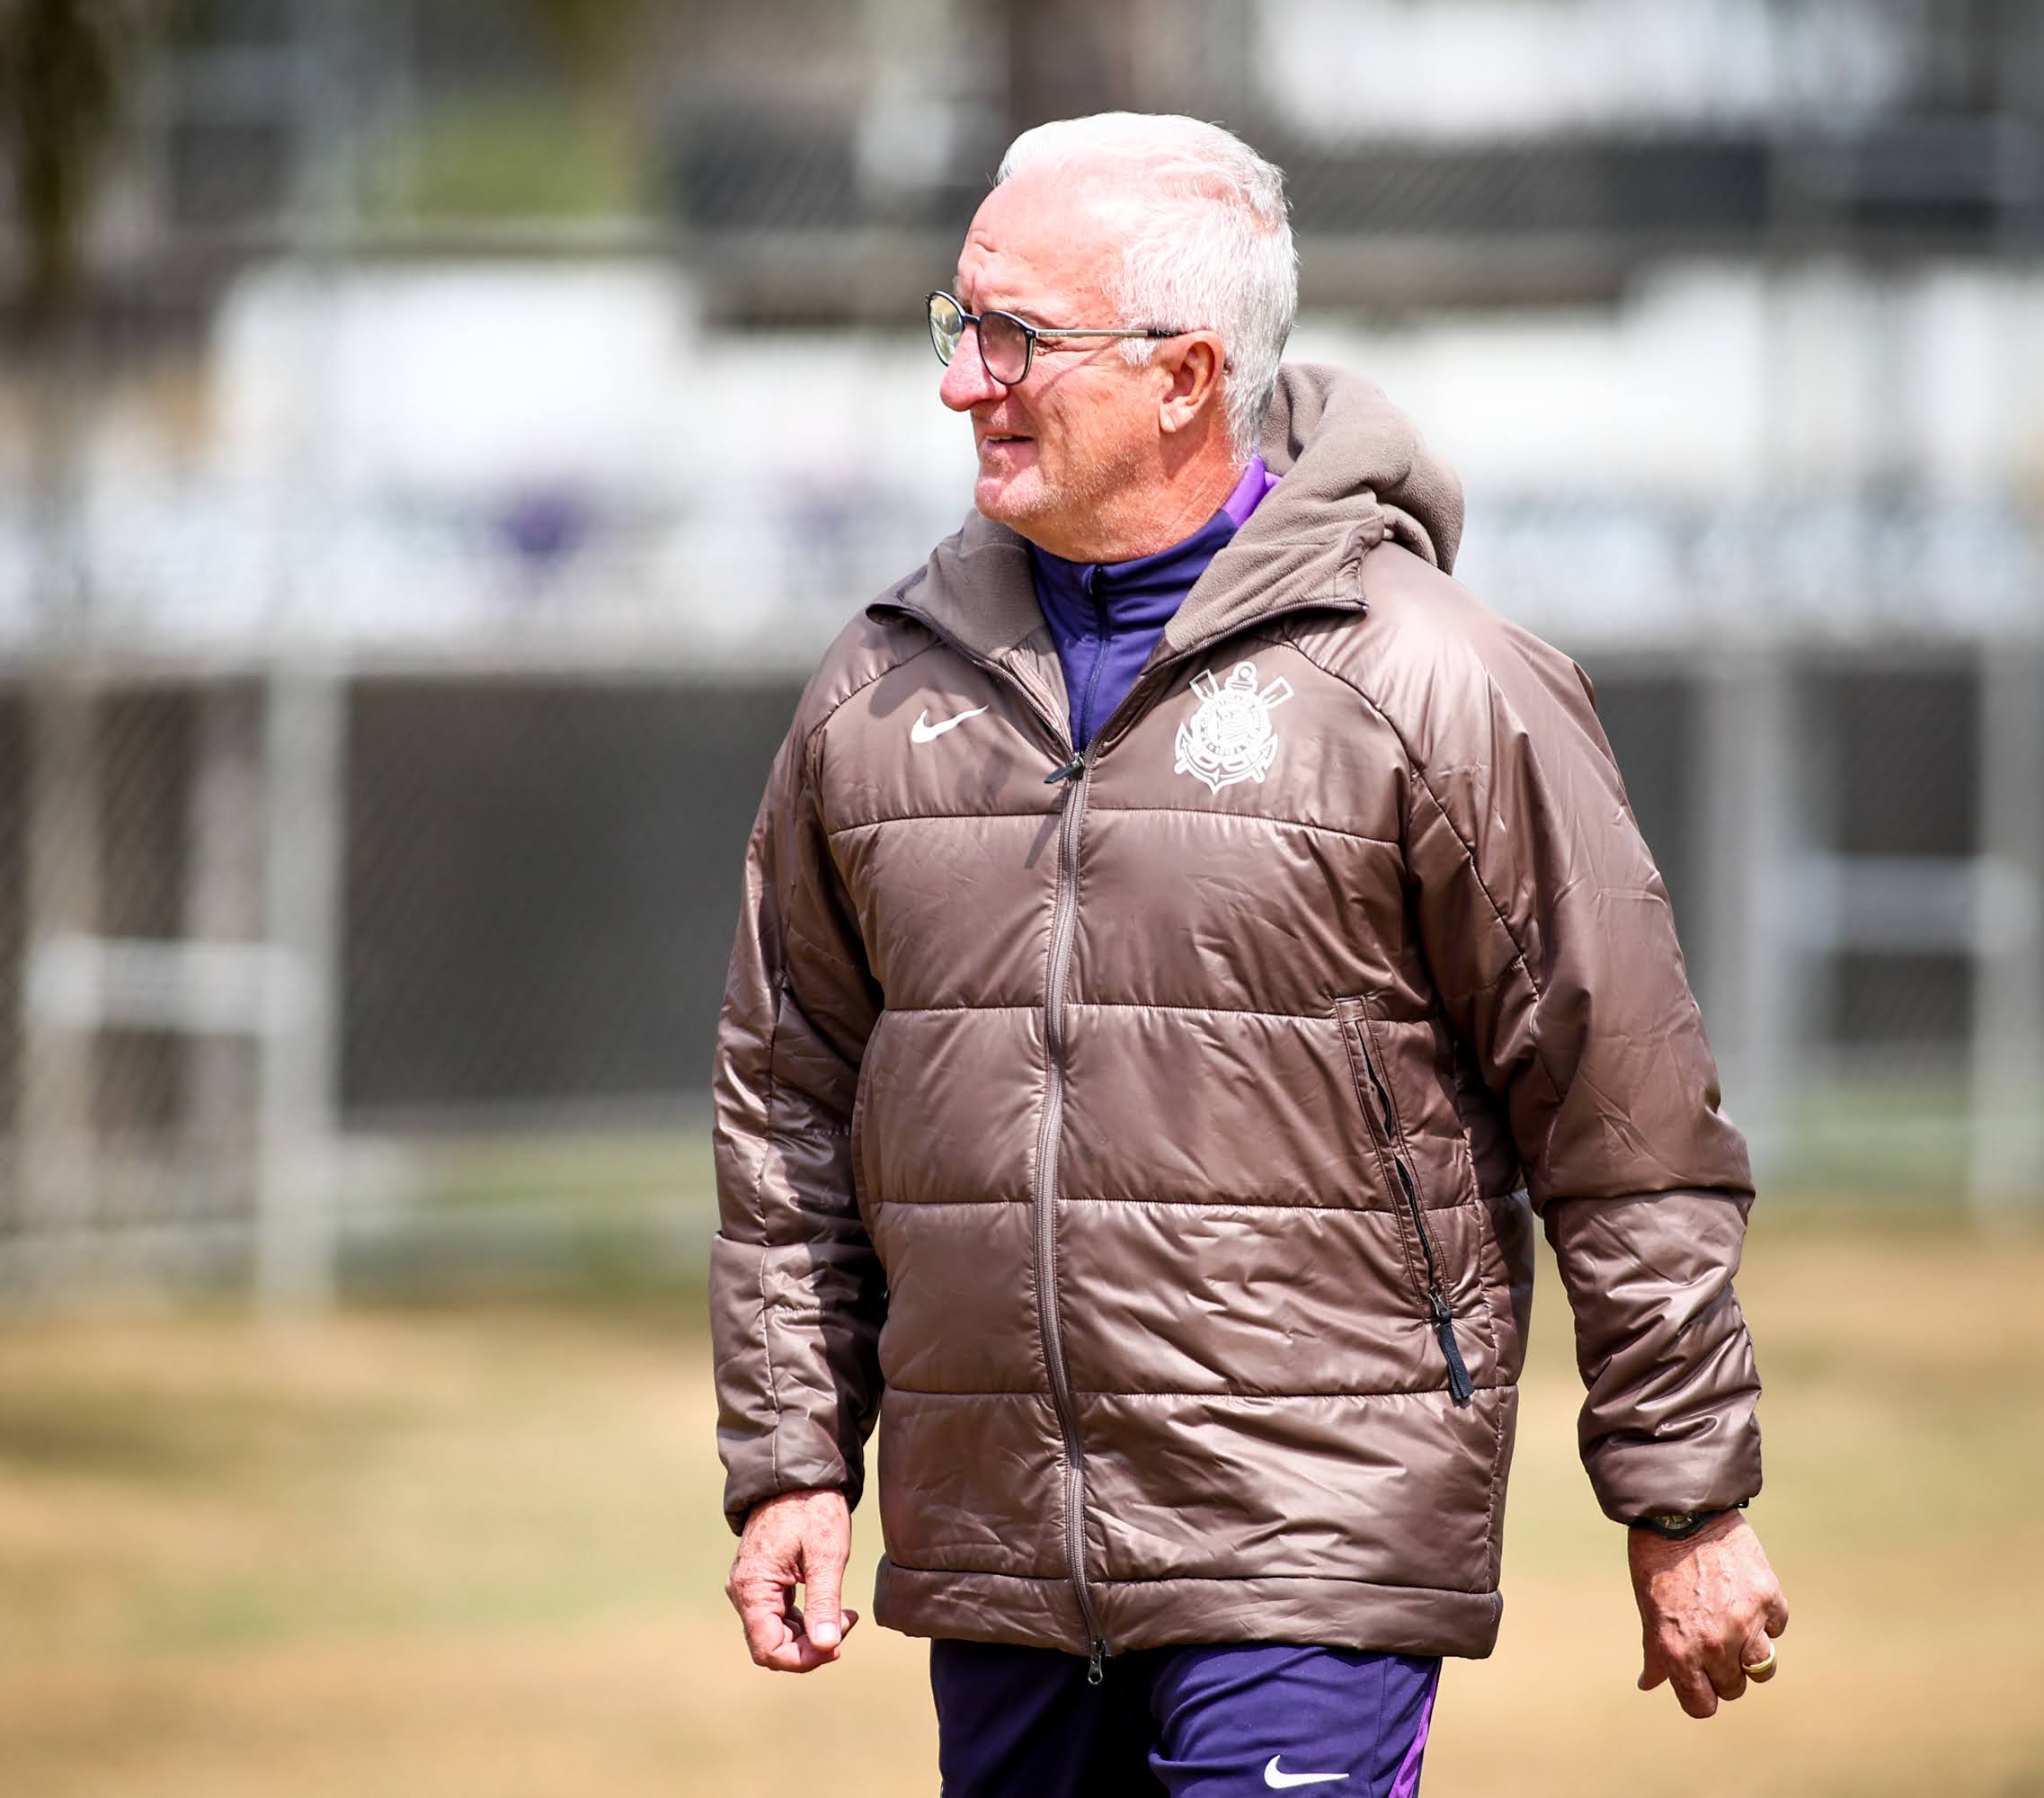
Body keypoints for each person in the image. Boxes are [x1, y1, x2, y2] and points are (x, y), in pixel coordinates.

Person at [709, 111, 1789, 1796]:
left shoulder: (1433, 685)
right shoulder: (876, 696)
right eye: (958, 324)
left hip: (1311, 1539)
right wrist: (792, 1461)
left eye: (1014, 338)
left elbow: (1622, 1111)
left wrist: (1688, 1497)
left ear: (1184, 375)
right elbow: (786, 1118)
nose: (961, 382)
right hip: (1001, 1558)